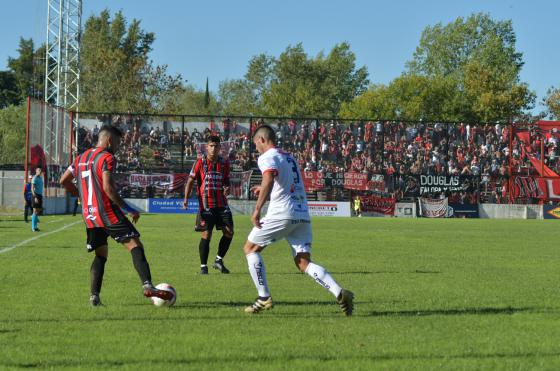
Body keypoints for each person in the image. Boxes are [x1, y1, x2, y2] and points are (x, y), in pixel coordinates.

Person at [243, 125, 354, 315]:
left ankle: (263, 298)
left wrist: (257, 209)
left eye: (256, 144)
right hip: (302, 212)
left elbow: (269, 177)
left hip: (282, 212)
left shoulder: (266, 157)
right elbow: (285, 182)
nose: (256, 149)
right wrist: (263, 190)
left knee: (250, 248)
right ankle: (339, 291)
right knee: (303, 262)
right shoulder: (289, 157)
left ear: (262, 140)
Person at [60, 125, 173, 307]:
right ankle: (147, 285)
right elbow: (107, 188)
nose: (119, 146)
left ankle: (94, 297)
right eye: (119, 142)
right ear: (110, 140)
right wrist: (128, 209)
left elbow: (63, 180)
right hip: (107, 212)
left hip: (90, 215)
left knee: (101, 255)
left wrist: (80, 195)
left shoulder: (80, 158)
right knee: (135, 244)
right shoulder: (107, 157)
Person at [183, 135, 234, 274]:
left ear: (220, 148)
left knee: (229, 232)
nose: (213, 148)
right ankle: (203, 267)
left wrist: (227, 187)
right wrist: (186, 199)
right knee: (207, 234)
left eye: (216, 146)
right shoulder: (200, 162)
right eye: (211, 146)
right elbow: (190, 181)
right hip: (206, 205)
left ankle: (218, 260)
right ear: (206, 147)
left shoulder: (224, 163)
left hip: (222, 204)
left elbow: (226, 180)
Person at [31, 167, 44, 232]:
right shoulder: (34, 178)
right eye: (38, 170)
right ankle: (33, 227)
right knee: (35, 211)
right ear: (36, 171)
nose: (40, 171)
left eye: (40, 170)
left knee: (38, 211)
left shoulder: (40, 178)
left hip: (40, 195)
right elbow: (32, 189)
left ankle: (35, 227)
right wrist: (35, 197)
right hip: (35, 195)